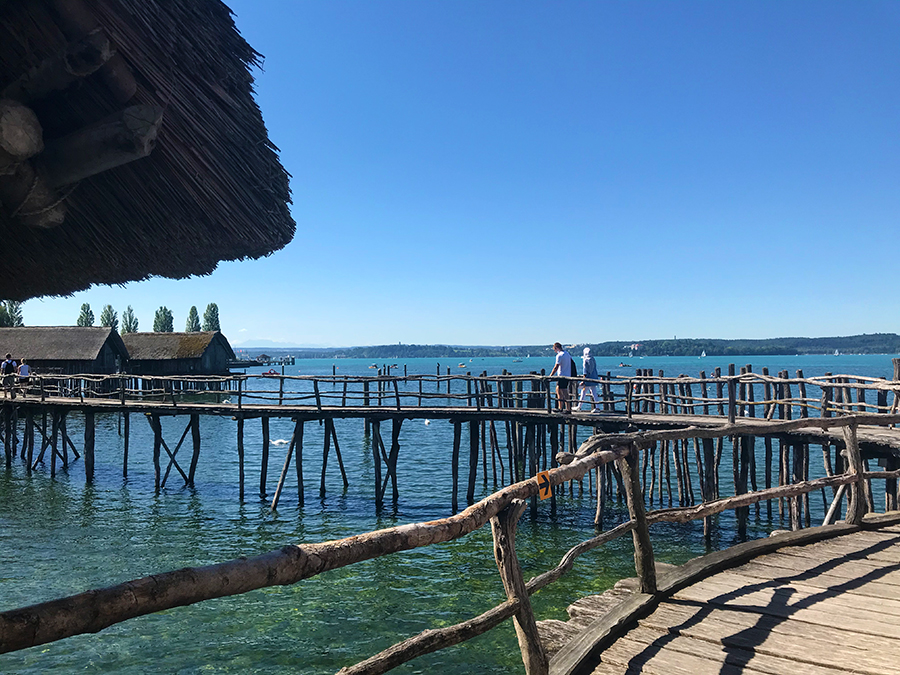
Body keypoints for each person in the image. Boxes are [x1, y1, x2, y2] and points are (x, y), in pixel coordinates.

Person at [548, 342, 574, 412]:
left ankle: (564, 408)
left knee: (563, 391)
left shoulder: (559, 355)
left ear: (556, 348)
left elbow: (556, 367)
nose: (554, 351)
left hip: (562, 376)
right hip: (567, 375)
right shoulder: (567, 354)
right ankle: (564, 407)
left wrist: (550, 375)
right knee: (560, 390)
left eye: (554, 349)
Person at [578, 347, 601, 412]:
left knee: (583, 393)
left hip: (588, 380)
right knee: (594, 393)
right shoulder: (593, 359)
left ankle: (579, 406)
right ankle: (597, 407)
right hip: (594, 378)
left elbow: (585, 372)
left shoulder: (586, 360)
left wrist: (583, 380)